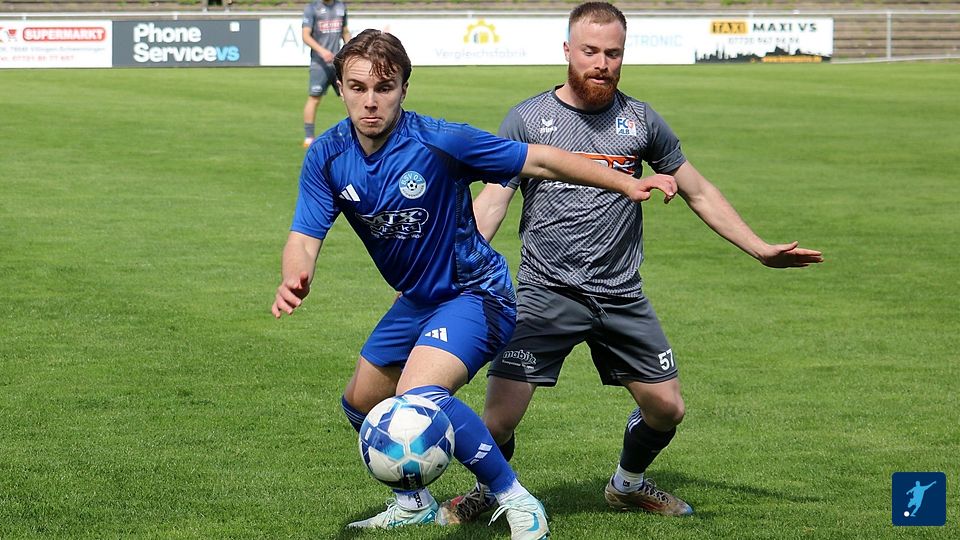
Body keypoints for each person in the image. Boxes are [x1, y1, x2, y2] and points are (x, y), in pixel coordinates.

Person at [271, 29, 677, 539]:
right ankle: (412, 503)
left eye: (384, 87)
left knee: (420, 396)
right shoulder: (328, 156)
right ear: (341, 89)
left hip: (476, 293)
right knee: (361, 405)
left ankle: (517, 500)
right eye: (357, 88)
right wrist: (295, 274)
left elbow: (541, 159)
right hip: (417, 299)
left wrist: (626, 182)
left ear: (403, 89)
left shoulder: (440, 141)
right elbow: (303, 236)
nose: (370, 101)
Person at [439, 1, 824, 524]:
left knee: (667, 409)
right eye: (590, 51)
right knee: (498, 421)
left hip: (620, 294)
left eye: (613, 53)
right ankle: (491, 491)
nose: (602, 63)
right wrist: (451, 272)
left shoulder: (641, 121)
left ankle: (628, 484)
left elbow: (698, 190)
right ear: (567, 51)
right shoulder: (527, 119)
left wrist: (759, 248)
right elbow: (493, 201)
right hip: (545, 291)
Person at [301, 0, 350, 148]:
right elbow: (305, 36)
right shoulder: (312, 8)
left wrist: (351, 49)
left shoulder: (341, 6)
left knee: (349, 97)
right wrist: (322, 51)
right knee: (314, 98)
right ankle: (309, 137)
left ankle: (357, 132)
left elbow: (345, 31)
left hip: (338, 62)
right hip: (319, 64)